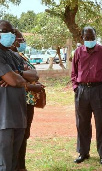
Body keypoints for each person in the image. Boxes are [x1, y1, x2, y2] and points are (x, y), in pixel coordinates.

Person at [71, 26, 102, 165]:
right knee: (82, 123)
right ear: (82, 37)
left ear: (96, 37)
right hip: (82, 90)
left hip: (99, 90)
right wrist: (75, 87)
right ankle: (83, 152)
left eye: (92, 38)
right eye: (87, 38)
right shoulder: (78, 52)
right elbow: (74, 72)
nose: (90, 40)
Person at [0, 20, 39, 171]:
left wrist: (19, 74)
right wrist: (18, 78)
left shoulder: (13, 55)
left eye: (12, 33)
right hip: (4, 117)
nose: (11, 36)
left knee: (14, 161)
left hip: (19, 115)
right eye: (6, 32)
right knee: (4, 163)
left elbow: (34, 74)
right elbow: (11, 79)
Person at [10, 29, 45, 171]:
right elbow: (13, 81)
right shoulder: (10, 58)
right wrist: (31, 85)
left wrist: (28, 78)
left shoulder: (20, 56)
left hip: (28, 102)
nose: (23, 42)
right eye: (20, 40)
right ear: (13, 40)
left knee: (24, 135)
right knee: (18, 136)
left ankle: (21, 166)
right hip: (18, 101)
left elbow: (34, 74)